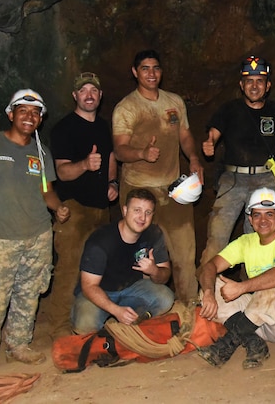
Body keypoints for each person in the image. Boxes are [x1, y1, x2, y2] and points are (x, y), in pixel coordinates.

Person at [0, 89, 70, 375]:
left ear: (40, 119)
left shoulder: (41, 152)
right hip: (0, 237)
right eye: (23, 110)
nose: (29, 116)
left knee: (29, 293)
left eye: (35, 113)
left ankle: (19, 345)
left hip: (37, 235)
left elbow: (46, 191)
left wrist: (58, 207)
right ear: (11, 114)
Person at [112, 50, 203, 304]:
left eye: (155, 68)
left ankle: (189, 308)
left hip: (174, 189)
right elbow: (119, 150)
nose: (151, 73)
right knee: (140, 255)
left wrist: (194, 157)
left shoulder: (174, 102)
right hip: (139, 190)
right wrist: (141, 153)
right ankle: (144, 310)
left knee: (184, 252)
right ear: (135, 72)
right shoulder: (127, 108)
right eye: (145, 68)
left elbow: (184, 135)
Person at [200, 55, 275, 265]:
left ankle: (255, 288)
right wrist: (209, 142)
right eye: (249, 81)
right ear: (241, 84)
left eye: (259, 81)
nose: (254, 86)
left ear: (268, 85)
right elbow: (213, 134)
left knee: (261, 239)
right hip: (233, 180)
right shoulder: (229, 109)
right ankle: (206, 292)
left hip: (265, 180)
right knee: (217, 237)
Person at [41, 72, 118, 339]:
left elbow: (110, 160)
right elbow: (61, 172)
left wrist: (113, 184)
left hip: (101, 209)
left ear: (100, 96)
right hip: (74, 209)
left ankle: (95, 320)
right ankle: (60, 328)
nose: (89, 94)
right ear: (75, 96)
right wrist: (85, 164)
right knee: (69, 268)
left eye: (93, 90)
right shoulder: (63, 129)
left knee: (102, 267)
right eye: (83, 90)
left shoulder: (103, 127)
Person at [197, 188, 275, 369]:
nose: (263, 220)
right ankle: (253, 342)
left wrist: (242, 288)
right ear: (250, 219)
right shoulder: (245, 242)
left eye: (269, 215)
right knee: (212, 284)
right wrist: (210, 293)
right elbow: (209, 266)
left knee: (272, 287)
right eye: (257, 215)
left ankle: (227, 344)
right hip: (258, 320)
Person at [70, 188, 174, 334]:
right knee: (85, 324)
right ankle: (114, 322)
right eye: (137, 210)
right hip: (99, 292)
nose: (142, 218)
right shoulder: (101, 241)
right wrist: (116, 311)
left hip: (131, 289)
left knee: (166, 298)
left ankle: (133, 322)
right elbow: (88, 287)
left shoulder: (153, 234)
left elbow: (165, 275)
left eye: (148, 212)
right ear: (125, 211)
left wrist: (154, 271)